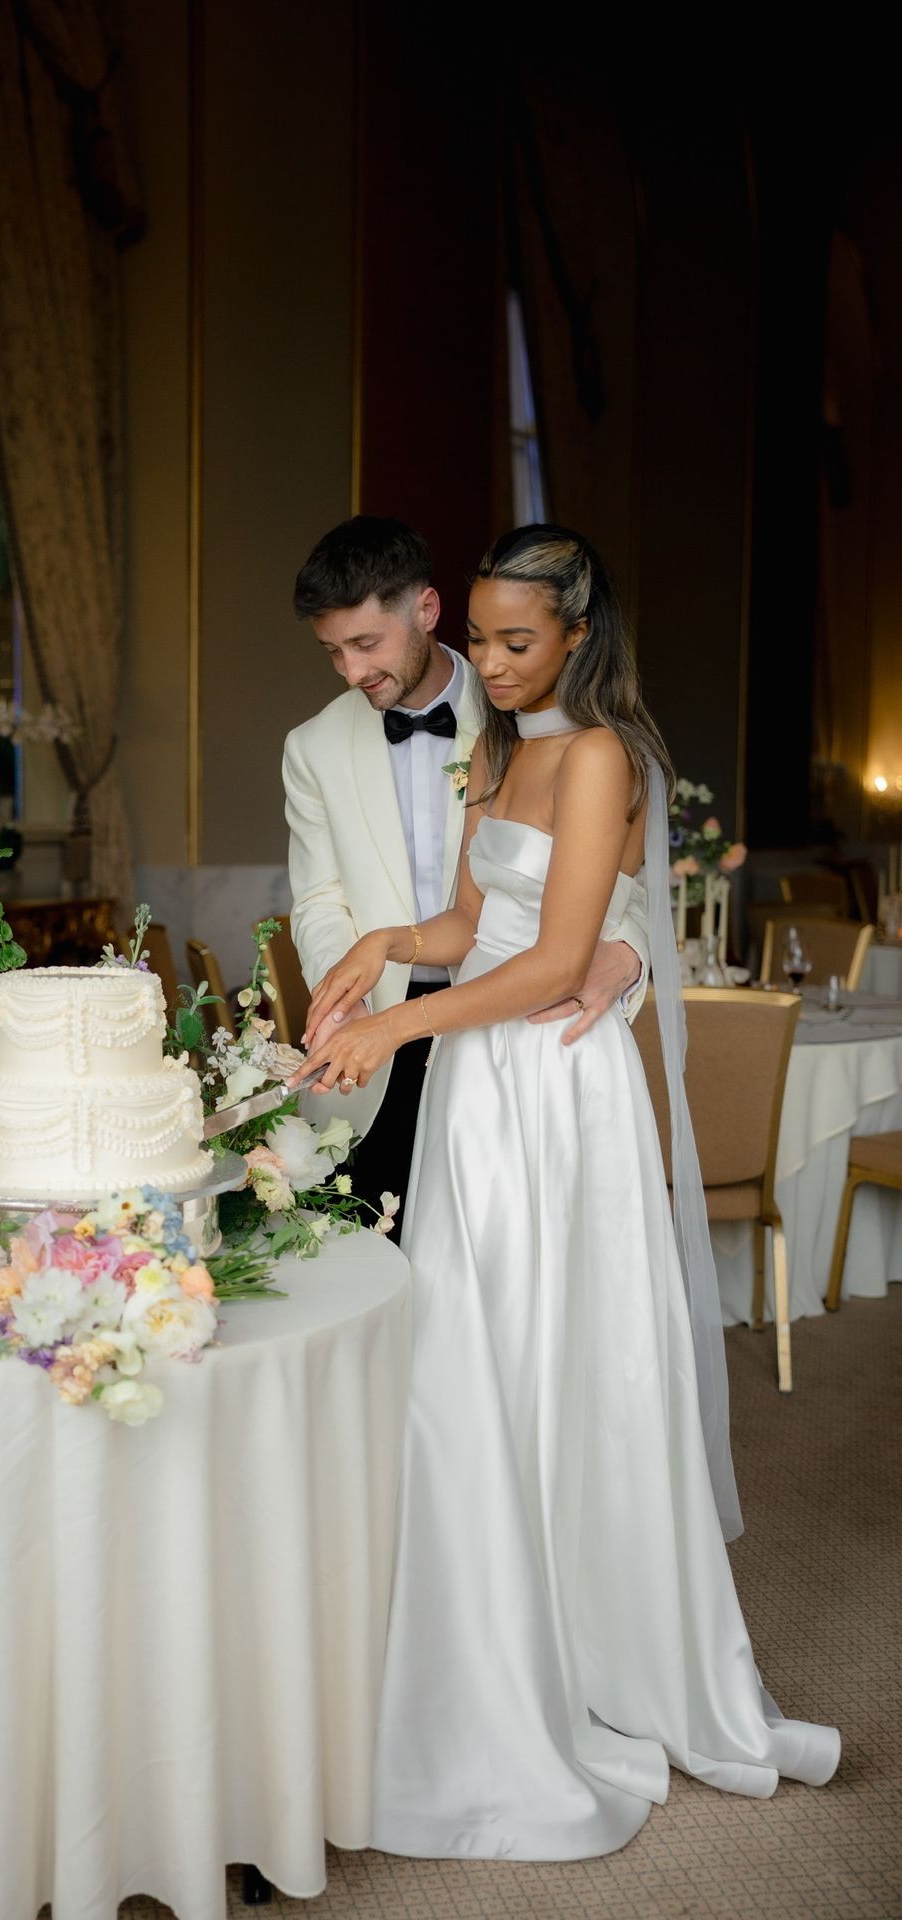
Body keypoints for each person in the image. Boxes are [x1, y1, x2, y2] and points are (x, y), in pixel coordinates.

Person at [297, 524, 840, 1859]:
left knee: (561, 1352)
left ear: (581, 637)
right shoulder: (505, 745)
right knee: (474, 1359)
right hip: (482, 1098)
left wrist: (400, 1029)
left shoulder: (601, 757)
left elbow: (552, 967)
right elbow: (464, 926)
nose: (487, 661)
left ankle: (599, 1653)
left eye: (514, 642)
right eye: (477, 638)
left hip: (550, 1084)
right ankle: (494, 1639)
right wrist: (379, 948)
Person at [283, 515, 648, 1230]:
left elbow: (620, 871)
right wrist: (360, 983)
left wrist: (630, 951)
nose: (353, 672)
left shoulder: (541, 718)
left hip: (537, 1034)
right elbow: (327, 899)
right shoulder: (316, 746)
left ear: (425, 611)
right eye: (333, 652)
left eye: (365, 644)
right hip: (399, 1046)